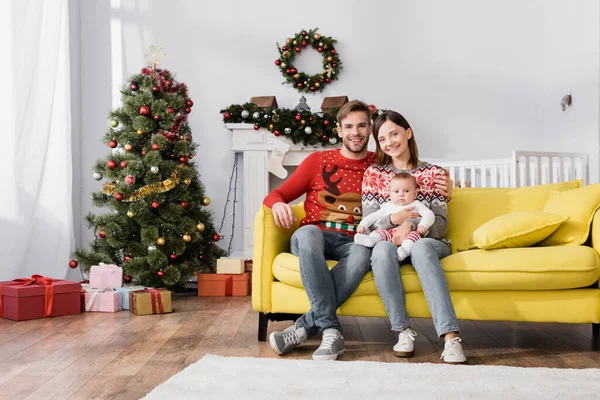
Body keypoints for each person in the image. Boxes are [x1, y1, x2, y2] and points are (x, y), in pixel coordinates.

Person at [264, 101, 453, 361]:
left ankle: (303, 329)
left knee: (364, 253)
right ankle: (330, 329)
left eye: (362, 125)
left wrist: (448, 188)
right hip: (315, 232)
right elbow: (277, 193)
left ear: (370, 132)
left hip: (356, 240)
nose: (356, 132)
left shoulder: (381, 166)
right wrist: (277, 204)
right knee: (307, 237)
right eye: (349, 126)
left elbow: (410, 184)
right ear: (339, 131)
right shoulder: (318, 160)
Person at [362, 110, 466, 364]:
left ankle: (451, 339)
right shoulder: (373, 175)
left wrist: (411, 224)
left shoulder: (434, 173)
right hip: (391, 243)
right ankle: (402, 331)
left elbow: (440, 226)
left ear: (408, 133)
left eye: (394, 133)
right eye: (382, 139)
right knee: (380, 249)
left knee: (420, 249)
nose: (390, 142)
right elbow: (371, 223)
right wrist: (394, 222)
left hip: (429, 243)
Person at [354, 172, 435, 261]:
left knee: (415, 236)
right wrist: (363, 225)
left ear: (415, 193)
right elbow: (373, 216)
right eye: (396, 191)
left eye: (406, 191)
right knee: (379, 233)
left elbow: (429, 214)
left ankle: (404, 251)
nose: (401, 194)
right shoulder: (388, 206)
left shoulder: (416, 205)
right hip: (389, 235)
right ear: (390, 193)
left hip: (409, 233)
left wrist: (423, 225)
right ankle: (370, 240)